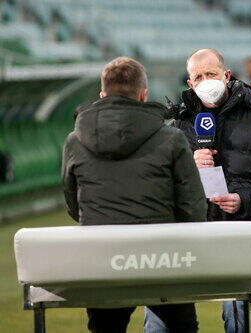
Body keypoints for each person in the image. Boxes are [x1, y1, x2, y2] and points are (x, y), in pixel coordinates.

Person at [144, 49, 251, 333]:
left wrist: (245, 200)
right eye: (199, 76)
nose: (206, 81)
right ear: (190, 84)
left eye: (212, 74)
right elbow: (159, 188)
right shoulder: (178, 126)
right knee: (159, 292)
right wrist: (188, 166)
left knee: (236, 302)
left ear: (226, 75)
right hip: (194, 234)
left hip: (247, 229)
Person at [62, 57, 207, 333]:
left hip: (103, 258)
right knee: (183, 327)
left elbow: (72, 202)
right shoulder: (171, 139)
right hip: (164, 258)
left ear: (102, 95)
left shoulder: (74, 140)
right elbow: (192, 206)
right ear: (143, 94)